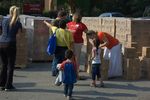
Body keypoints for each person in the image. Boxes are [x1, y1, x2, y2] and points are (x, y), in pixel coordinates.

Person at [0, 6, 22, 91]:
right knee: (10, 66)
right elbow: (19, 35)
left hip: (1, 43)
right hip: (10, 44)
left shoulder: (4, 20)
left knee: (3, 65)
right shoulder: (18, 22)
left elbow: (1, 31)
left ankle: (2, 84)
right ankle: (8, 85)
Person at [67, 12, 88, 78]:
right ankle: (70, 72)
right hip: (69, 43)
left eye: (73, 16)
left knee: (76, 58)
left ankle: (76, 73)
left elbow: (87, 32)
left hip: (77, 43)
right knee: (70, 57)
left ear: (75, 17)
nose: (72, 17)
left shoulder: (82, 25)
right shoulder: (69, 24)